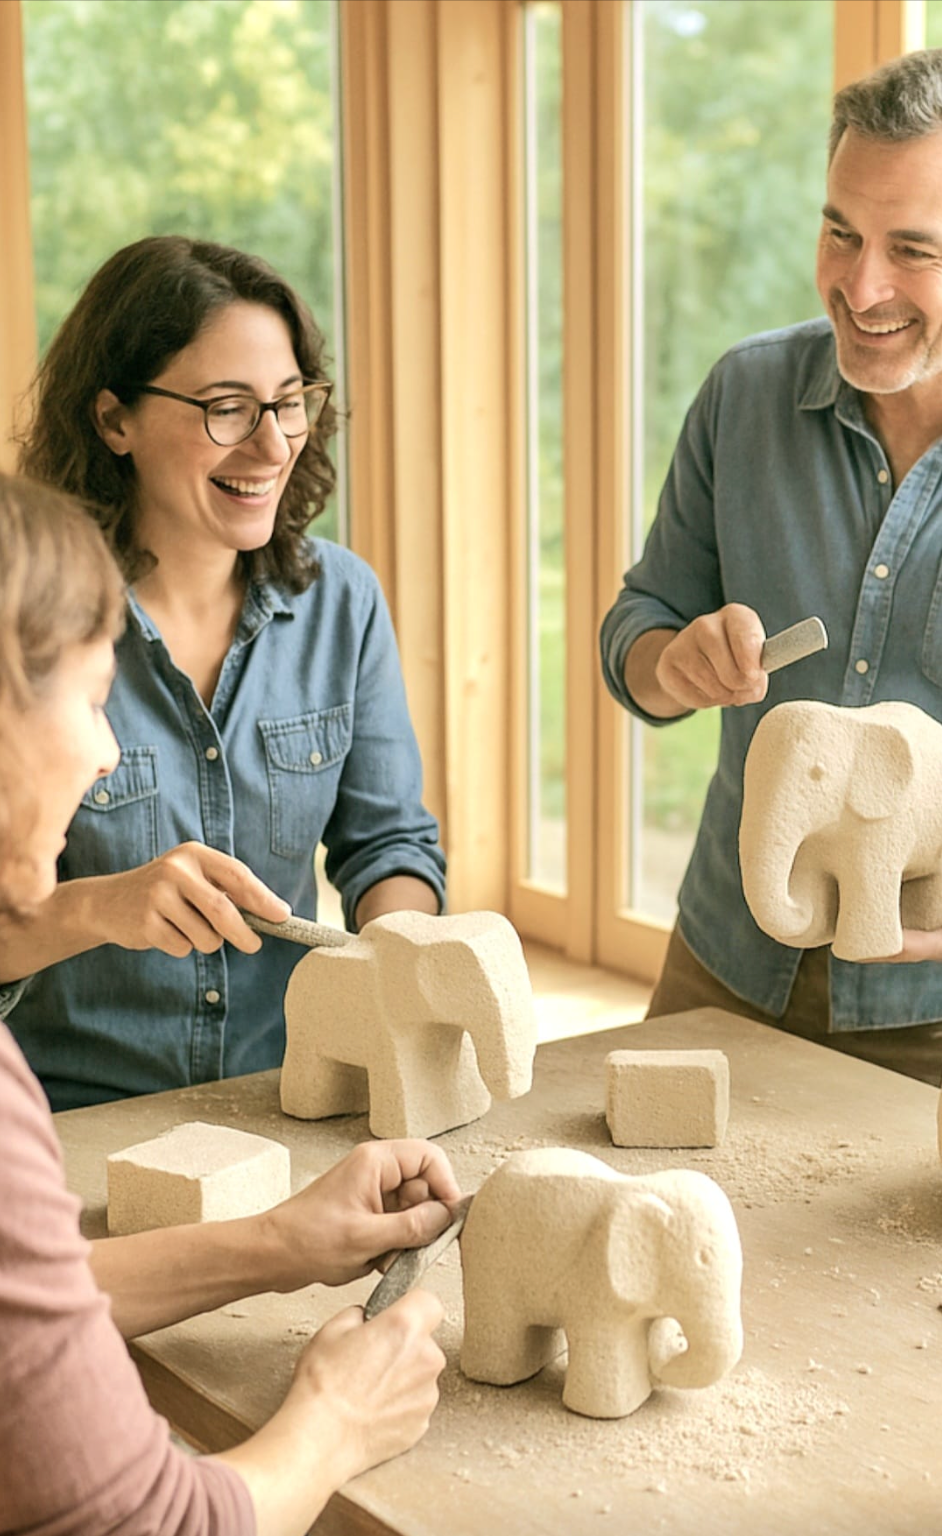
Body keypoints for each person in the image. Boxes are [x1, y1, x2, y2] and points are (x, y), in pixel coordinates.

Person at [0, 470, 458, 1536]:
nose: (108, 750)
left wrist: (282, 1244)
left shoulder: (342, 598)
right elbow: (145, 1522)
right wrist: (336, 1419)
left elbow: (23, 1316)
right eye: (87, 697)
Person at [2, 235, 445, 1111]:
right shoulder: (27, 613)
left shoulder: (342, 600)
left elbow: (389, 843)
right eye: (226, 407)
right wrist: (99, 907)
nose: (272, 444)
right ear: (112, 419)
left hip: (289, 1095)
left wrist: (403, 963)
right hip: (75, 1114)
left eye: (289, 403)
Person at [600, 48, 942, 1087]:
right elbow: (640, 620)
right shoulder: (742, 395)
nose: (861, 284)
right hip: (726, 960)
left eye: (913, 250)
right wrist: (674, 660)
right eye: (840, 231)